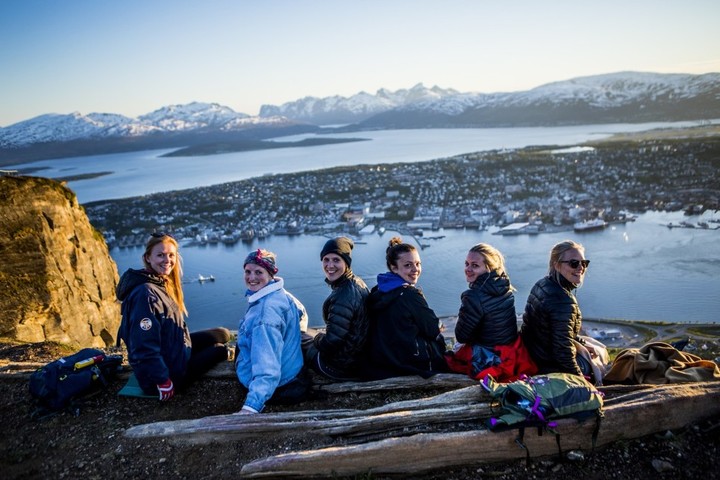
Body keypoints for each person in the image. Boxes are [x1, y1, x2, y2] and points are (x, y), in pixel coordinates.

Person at [116, 232, 231, 401]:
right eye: (160, 255)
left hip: (174, 349)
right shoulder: (145, 294)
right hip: (166, 373)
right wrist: (162, 381)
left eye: (171, 255)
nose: (167, 260)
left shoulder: (158, 281)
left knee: (223, 334)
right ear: (148, 258)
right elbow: (143, 346)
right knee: (220, 350)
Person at [362, 236, 448, 380]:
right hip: (409, 362)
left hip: (384, 360)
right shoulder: (410, 295)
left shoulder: (378, 290)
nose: (415, 269)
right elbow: (432, 328)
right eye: (408, 265)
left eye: (418, 264)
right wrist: (438, 326)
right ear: (394, 268)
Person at [235, 249, 309, 414]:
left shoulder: (264, 316)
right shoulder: (282, 294)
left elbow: (267, 370)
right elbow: (301, 312)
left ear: (270, 274)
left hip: (281, 384)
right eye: (248, 271)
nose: (252, 277)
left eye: (258, 272)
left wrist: (251, 407)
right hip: (293, 370)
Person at [520, 240, 596, 378]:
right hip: (548, 367)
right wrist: (580, 380)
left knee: (590, 344)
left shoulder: (542, 284)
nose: (581, 268)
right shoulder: (563, 301)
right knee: (598, 357)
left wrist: (580, 342)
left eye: (584, 263)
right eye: (574, 263)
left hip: (533, 354)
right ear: (557, 265)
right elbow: (563, 352)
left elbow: (555, 331)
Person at [302, 237, 370, 381]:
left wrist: (317, 339)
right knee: (307, 333)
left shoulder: (344, 295)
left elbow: (332, 342)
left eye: (336, 260)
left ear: (346, 262)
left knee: (297, 337)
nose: (330, 265)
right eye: (326, 260)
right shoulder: (357, 283)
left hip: (339, 367)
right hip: (358, 358)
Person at [455, 243, 518, 348]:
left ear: (489, 268)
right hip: (509, 354)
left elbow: (461, 337)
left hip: (487, 357)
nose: (468, 269)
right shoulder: (506, 289)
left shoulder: (473, 297)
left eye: (475, 265)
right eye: (467, 264)